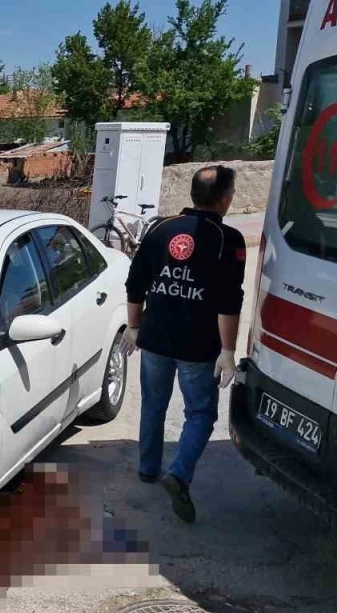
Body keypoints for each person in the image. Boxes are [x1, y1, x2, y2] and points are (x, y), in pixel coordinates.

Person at [121, 165, 247, 524]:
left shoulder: (160, 228)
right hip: (197, 345)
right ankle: (177, 473)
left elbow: (136, 282)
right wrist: (228, 351)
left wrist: (134, 326)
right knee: (201, 414)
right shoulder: (228, 239)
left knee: (153, 404)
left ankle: (148, 469)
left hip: (155, 338)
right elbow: (229, 301)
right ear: (225, 199)